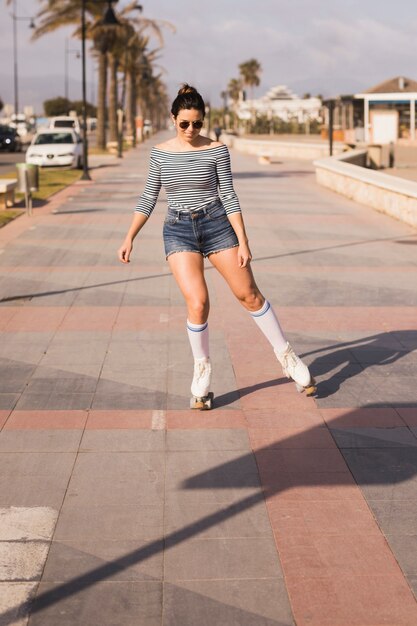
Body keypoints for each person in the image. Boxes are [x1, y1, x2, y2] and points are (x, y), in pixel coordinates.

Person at [118, 84, 315, 408]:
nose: (191, 130)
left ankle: (286, 356)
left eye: (197, 123)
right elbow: (149, 197)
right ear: (173, 119)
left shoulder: (217, 150)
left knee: (248, 295)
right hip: (178, 230)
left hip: (217, 225)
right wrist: (129, 236)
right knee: (198, 302)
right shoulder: (160, 154)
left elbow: (229, 195)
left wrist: (243, 241)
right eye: (185, 124)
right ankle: (202, 370)